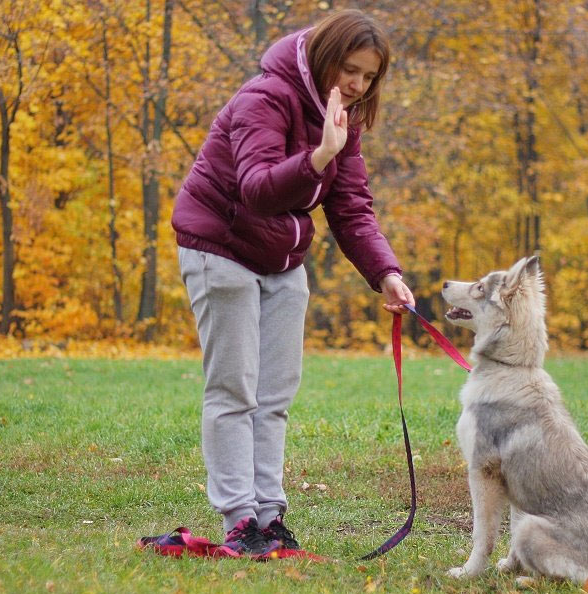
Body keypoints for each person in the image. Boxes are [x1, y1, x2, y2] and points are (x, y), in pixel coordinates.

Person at [170, 9, 415, 557]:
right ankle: (240, 522)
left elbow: (351, 208)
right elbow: (257, 189)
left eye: (369, 76)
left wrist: (386, 274)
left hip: (281, 258)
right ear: (324, 56)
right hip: (221, 246)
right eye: (349, 70)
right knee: (235, 389)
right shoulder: (265, 97)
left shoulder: (342, 117)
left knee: (275, 392)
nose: (356, 85)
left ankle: (270, 517)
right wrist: (320, 154)